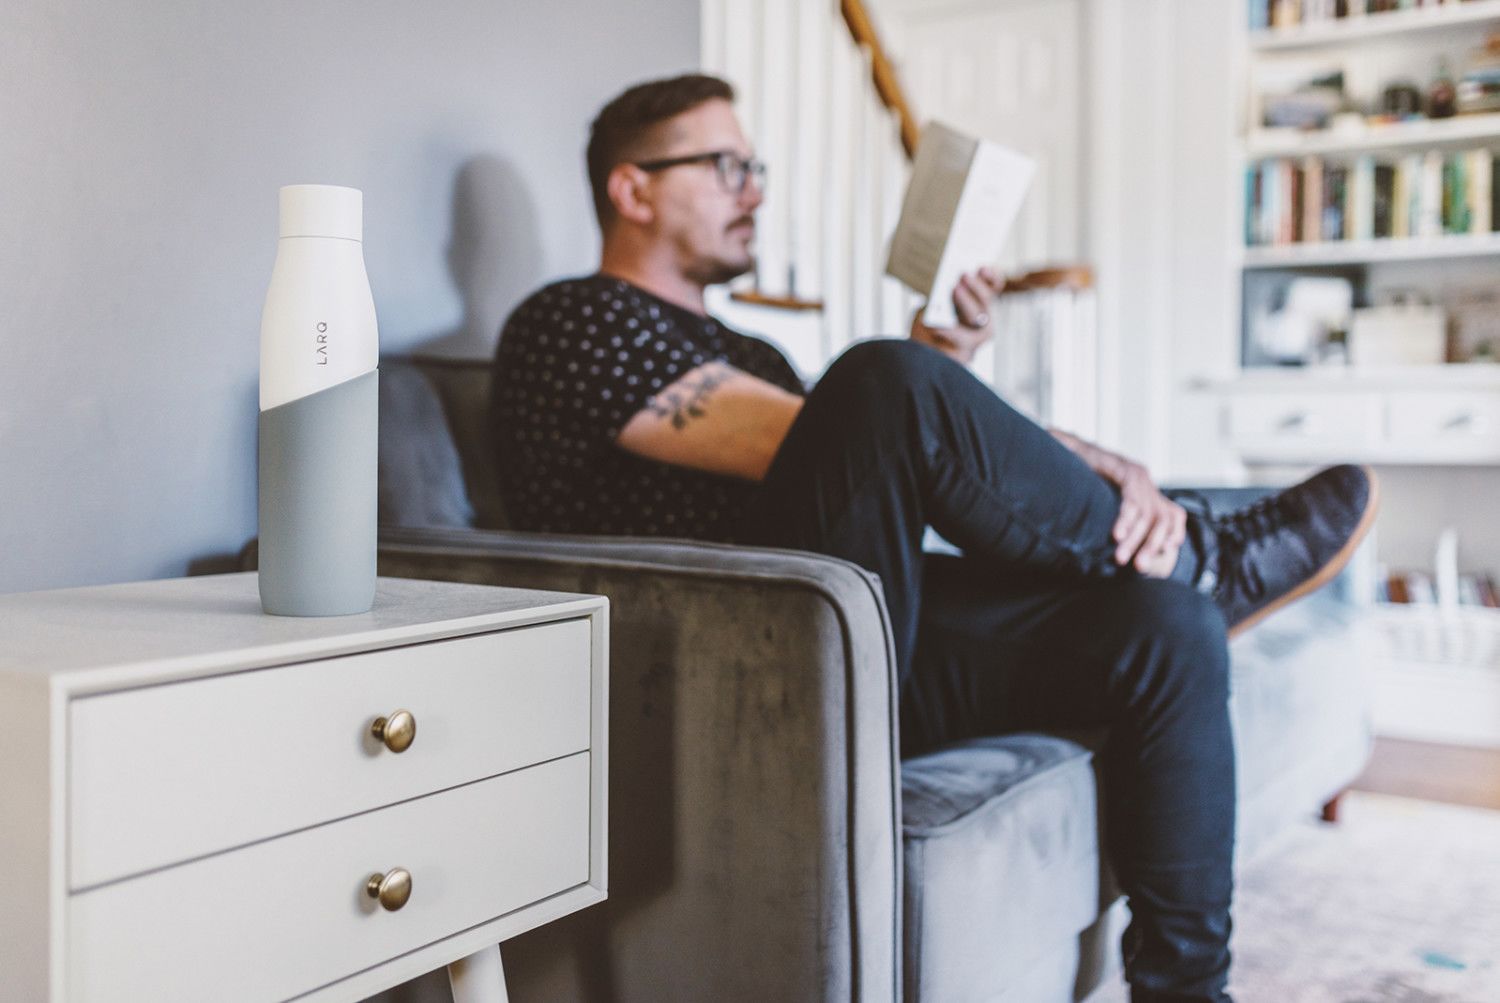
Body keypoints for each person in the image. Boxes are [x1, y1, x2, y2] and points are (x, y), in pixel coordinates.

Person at [489, 73, 1377, 1003]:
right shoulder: (569, 321)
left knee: (1163, 624)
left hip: (872, 638)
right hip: (722, 668)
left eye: (755, 165)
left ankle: (1189, 990)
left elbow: (854, 460)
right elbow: (813, 431)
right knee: (885, 379)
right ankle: (1205, 553)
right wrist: (955, 399)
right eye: (724, 166)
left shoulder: (754, 354)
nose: (754, 188)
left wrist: (943, 374)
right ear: (632, 189)